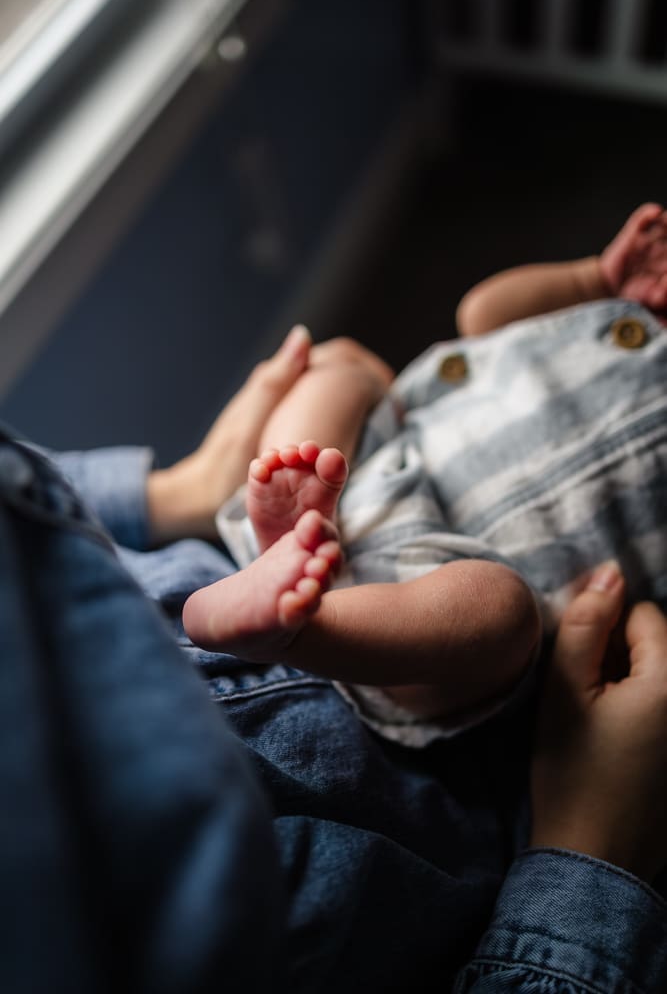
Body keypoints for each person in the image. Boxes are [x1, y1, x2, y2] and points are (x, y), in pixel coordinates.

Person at [0, 319, 666, 992]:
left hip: (347, 496)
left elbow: (486, 310)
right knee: (502, 609)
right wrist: (586, 850)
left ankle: (281, 588)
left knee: (338, 375)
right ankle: (302, 625)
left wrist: (591, 278)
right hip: (425, 653)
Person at [182, 202, 667, 748]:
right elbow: (484, 315)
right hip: (369, 469)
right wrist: (595, 278)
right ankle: (288, 529)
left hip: (442, 582)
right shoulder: (637, 316)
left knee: (503, 612)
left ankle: (298, 627)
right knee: (342, 373)